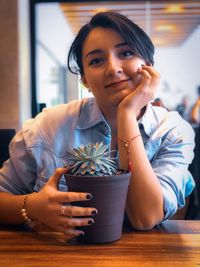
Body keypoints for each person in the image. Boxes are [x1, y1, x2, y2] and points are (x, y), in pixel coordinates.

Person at [0, 12, 195, 236]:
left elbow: (145, 217)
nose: (113, 68)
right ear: (84, 80)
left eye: (126, 53)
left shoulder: (172, 132)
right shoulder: (47, 127)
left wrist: (127, 114)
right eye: (96, 60)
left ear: (148, 64)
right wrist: (32, 207)